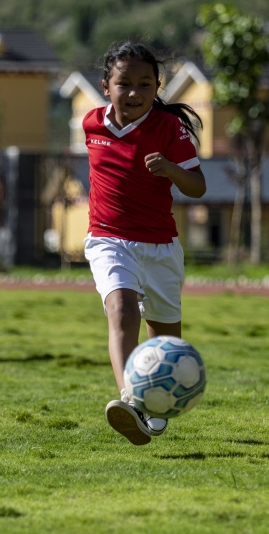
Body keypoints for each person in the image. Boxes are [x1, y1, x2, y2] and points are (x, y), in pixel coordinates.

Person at [83, 42, 206, 445]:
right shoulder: (91, 124)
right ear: (106, 86)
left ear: (157, 87)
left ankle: (157, 404)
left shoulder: (170, 128)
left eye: (145, 84)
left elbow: (198, 186)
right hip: (107, 238)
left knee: (166, 340)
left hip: (160, 247)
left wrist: (170, 169)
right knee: (120, 309)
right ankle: (131, 400)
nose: (134, 92)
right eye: (124, 83)